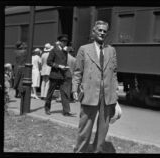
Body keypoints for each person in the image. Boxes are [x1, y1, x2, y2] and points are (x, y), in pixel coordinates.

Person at [72, 20, 119, 153]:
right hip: (89, 94)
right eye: (100, 30)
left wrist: (115, 93)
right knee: (84, 129)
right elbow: (77, 72)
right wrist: (75, 89)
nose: (102, 33)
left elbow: (114, 73)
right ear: (94, 32)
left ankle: (97, 150)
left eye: (105, 31)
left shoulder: (111, 50)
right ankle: (80, 150)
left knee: (103, 130)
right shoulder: (84, 49)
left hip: (107, 96)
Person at [44, 34, 75, 116]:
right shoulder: (53, 50)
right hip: (55, 74)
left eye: (66, 42)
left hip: (63, 74)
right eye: (63, 41)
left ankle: (66, 111)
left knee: (64, 93)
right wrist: (58, 66)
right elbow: (49, 62)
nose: (65, 43)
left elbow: (72, 49)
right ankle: (47, 108)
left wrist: (68, 49)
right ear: (59, 42)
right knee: (50, 93)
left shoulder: (65, 50)